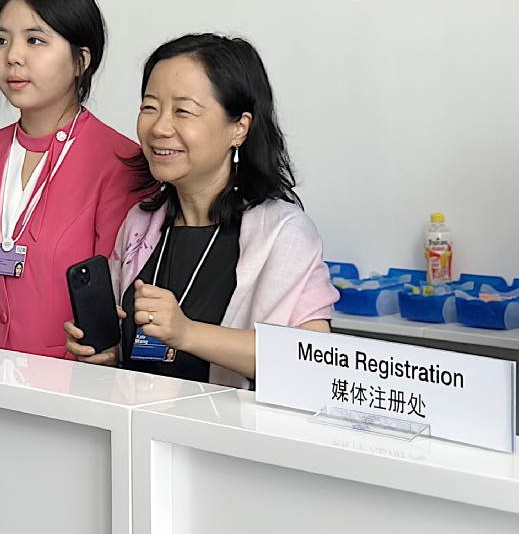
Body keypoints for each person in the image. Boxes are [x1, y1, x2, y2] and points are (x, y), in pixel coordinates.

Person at [65, 33, 338, 387]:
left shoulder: (283, 233)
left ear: (239, 128)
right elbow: (139, 354)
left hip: (229, 424)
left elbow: (312, 361)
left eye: (183, 111)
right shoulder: (140, 223)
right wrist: (109, 353)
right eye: (150, 107)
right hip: (139, 422)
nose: (159, 127)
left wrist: (187, 333)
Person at [0, 0, 143, 359]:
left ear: (81, 60)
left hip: (71, 383)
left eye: (34, 40)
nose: (13, 56)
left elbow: (115, 297)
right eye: (1, 40)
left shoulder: (121, 163)